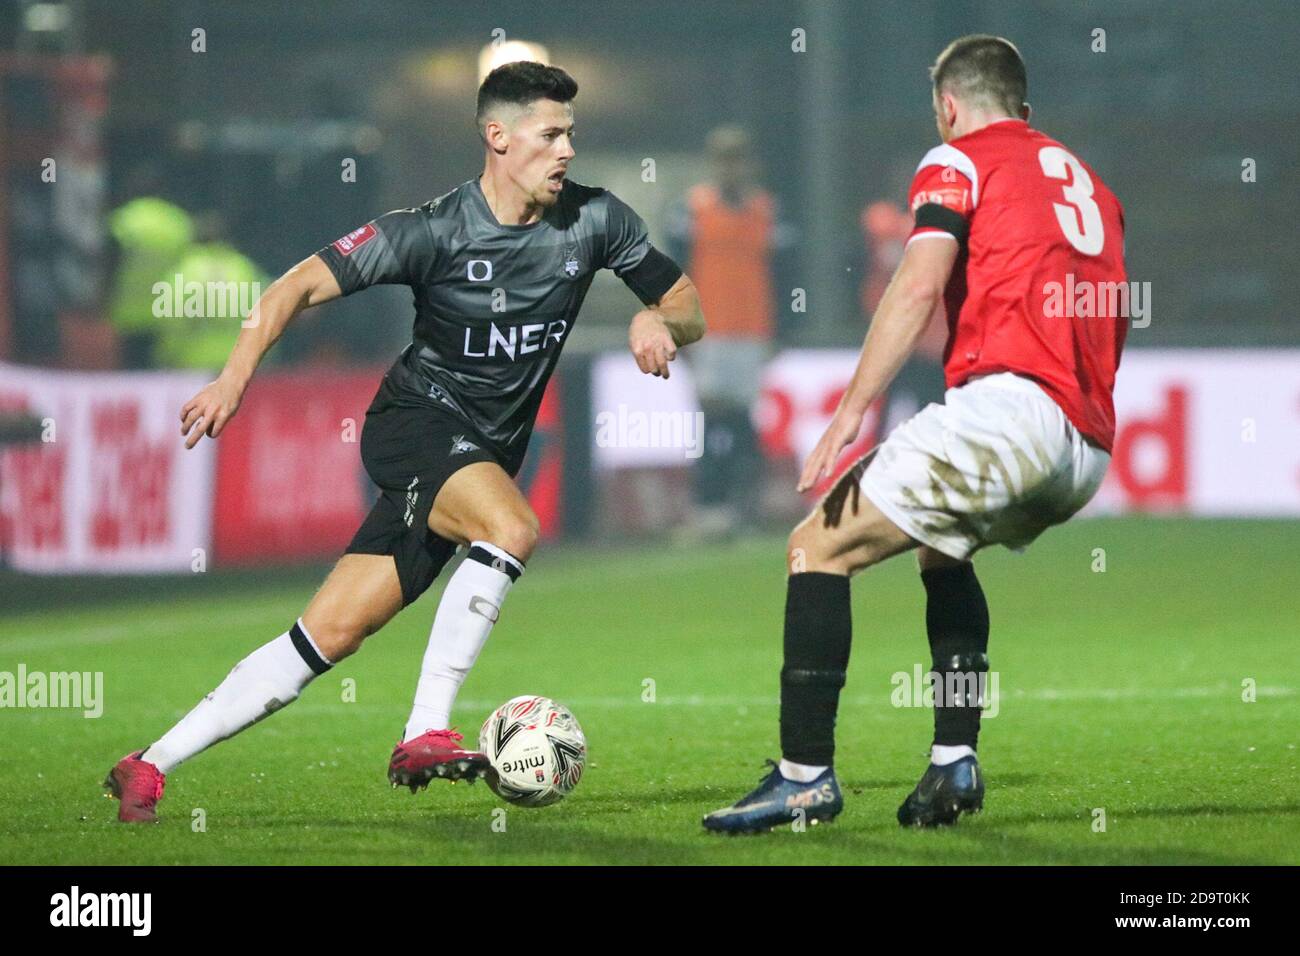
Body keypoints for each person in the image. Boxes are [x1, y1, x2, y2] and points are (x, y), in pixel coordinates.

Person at [104, 61, 704, 823]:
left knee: (325, 637)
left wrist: (659, 319)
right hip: (415, 425)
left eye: (570, 136)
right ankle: (423, 729)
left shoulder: (595, 221)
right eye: (551, 135)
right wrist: (233, 378)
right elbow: (292, 287)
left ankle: (146, 765)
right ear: (498, 136)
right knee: (513, 526)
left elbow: (687, 304)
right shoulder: (431, 231)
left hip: (477, 457)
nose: (566, 152)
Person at [703, 34, 1126, 833]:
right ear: (1026, 111)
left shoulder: (957, 158)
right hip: (1086, 443)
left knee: (815, 546)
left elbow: (916, 283)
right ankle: (951, 764)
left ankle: (804, 778)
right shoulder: (1093, 187)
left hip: (1010, 412)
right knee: (944, 548)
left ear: (948, 105)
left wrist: (850, 410)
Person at [666, 126, 792, 538]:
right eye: (724, 159)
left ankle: (739, 509)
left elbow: (783, 274)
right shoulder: (693, 210)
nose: (731, 167)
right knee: (714, 417)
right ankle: (711, 507)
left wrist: (782, 330)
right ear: (714, 163)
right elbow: (672, 272)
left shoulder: (766, 211)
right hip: (709, 332)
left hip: (752, 331)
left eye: (738, 158)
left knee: (740, 420)